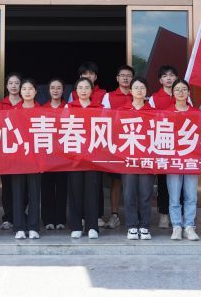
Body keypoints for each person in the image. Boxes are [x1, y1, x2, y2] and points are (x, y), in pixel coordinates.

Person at [120, 77, 155, 240]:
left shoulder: (153, 112)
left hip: (147, 159)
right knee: (129, 194)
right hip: (128, 160)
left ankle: (145, 226)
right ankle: (132, 226)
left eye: (142, 87)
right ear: (131, 91)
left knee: (145, 194)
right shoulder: (121, 111)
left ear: (146, 91)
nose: (139, 90)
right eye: (136, 87)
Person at [65, 77, 101, 239]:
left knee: (92, 191)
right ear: (76, 90)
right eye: (80, 87)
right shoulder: (69, 107)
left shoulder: (100, 107)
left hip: (94, 157)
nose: (84, 90)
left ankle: (92, 225)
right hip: (75, 157)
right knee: (75, 191)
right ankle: (76, 225)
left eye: (87, 87)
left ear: (92, 90)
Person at [100, 64, 135, 230]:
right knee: (116, 181)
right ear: (117, 78)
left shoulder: (140, 94)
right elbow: (105, 119)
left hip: (136, 144)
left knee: (134, 181)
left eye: (129, 75)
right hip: (117, 144)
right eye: (123, 75)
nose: (126, 78)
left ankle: (134, 216)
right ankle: (114, 215)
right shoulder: (108, 96)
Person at [166, 79, 200, 241]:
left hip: (191, 161)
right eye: (177, 89)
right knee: (174, 197)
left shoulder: (196, 113)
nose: (181, 92)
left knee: (191, 196)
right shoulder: (166, 113)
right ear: (172, 93)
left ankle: (189, 226)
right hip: (173, 161)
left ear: (188, 93)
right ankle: (176, 226)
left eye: (184, 89)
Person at [148, 65, 179, 230]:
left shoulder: (184, 95)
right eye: (165, 76)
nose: (169, 78)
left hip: (182, 146)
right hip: (162, 144)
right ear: (160, 80)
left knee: (179, 181)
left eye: (172, 75)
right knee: (163, 183)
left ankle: (178, 216)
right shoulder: (154, 98)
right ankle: (164, 215)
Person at [12, 78, 42, 239]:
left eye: (31, 89)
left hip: (36, 160)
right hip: (18, 159)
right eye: (24, 89)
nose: (27, 91)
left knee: (34, 193)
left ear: (36, 92)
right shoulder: (13, 111)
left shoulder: (43, 111)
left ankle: (33, 227)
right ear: (20, 92)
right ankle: (19, 227)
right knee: (18, 193)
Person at [41, 77, 67, 230]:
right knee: (47, 188)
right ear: (49, 90)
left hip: (64, 157)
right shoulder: (42, 108)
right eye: (53, 88)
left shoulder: (70, 108)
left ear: (63, 90)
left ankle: (61, 219)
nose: (56, 90)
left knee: (62, 189)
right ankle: (48, 219)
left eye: (58, 88)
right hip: (46, 156)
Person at [0, 72, 22, 231]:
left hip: (24, 153)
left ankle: (20, 215)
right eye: (11, 83)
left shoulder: (28, 104)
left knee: (22, 188)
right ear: (6, 86)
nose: (13, 86)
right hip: (5, 153)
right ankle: (8, 217)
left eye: (17, 83)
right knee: (6, 187)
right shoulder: (0, 105)